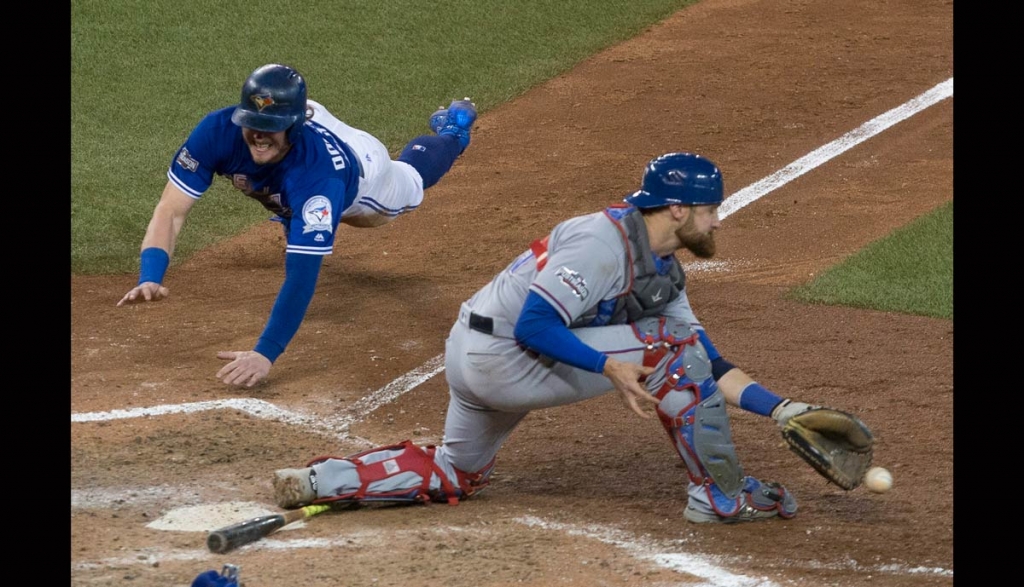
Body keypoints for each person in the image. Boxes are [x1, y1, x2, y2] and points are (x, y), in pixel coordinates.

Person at [271, 152, 828, 523]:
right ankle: (719, 495)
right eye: (710, 211)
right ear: (678, 208)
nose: (716, 223)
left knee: (456, 472)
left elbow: (707, 360)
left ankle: (323, 480)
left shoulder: (661, 269)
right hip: (505, 356)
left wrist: (782, 409)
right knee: (669, 347)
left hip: (478, 355)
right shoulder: (602, 243)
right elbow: (535, 324)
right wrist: (608, 366)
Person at [117, 63, 478, 388]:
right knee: (294, 203)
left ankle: (453, 133)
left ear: (292, 124)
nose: (259, 134)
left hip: (363, 171)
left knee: (410, 183)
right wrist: (151, 274)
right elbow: (171, 210)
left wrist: (266, 352)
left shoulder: (319, 180)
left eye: (270, 127)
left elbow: (302, 275)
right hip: (307, 133)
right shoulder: (217, 130)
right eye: (252, 123)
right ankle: (293, 210)